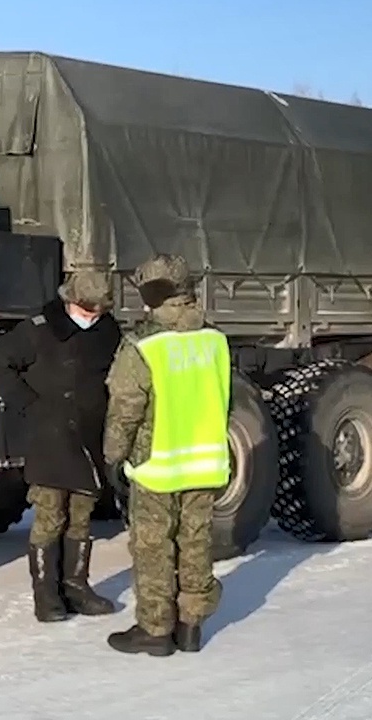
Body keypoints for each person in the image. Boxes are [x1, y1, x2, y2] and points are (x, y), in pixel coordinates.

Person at [102, 254, 231, 656]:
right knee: (196, 542)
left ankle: (156, 630)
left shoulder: (143, 346)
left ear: (154, 297)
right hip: (206, 461)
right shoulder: (215, 339)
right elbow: (223, 400)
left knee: (154, 546)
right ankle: (191, 625)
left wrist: (113, 457)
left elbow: (126, 409)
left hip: (157, 465)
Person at [0, 270, 123, 623]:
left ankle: (76, 587)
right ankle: (46, 597)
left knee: (81, 516)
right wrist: (29, 403)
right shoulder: (39, 330)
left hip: (88, 438)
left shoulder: (108, 332)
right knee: (49, 516)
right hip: (49, 439)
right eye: (86, 311)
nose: (91, 319)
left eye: (98, 313)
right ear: (69, 302)